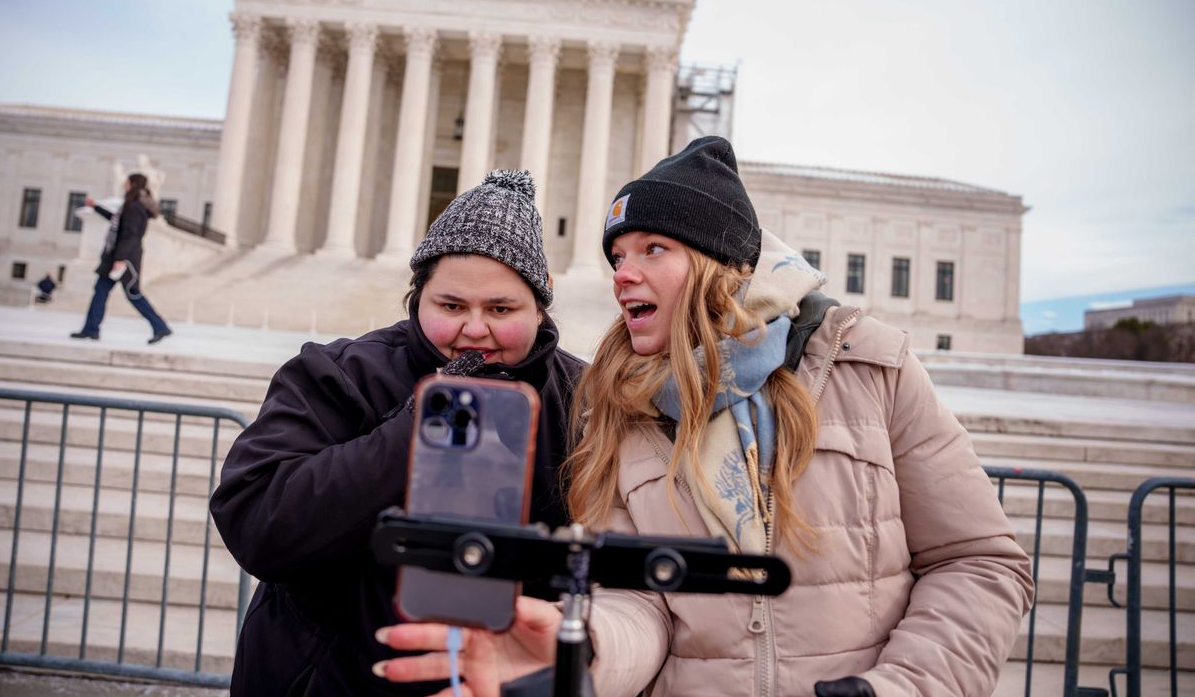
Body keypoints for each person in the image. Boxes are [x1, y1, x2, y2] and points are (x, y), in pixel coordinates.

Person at [375, 138, 1034, 697]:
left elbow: (980, 563)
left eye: (651, 249)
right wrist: (584, 649)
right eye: (617, 255)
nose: (622, 274)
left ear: (719, 262)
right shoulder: (615, 407)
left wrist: (894, 689)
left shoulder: (867, 367)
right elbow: (639, 601)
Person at [210, 170, 586, 696]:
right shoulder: (341, 373)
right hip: (336, 679)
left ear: (539, 310)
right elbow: (258, 521)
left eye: (501, 309)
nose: (474, 329)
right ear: (418, 300)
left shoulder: (581, 399)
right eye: (451, 306)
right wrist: (421, 424)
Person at [70, 173, 172, 343]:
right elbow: (117, 221)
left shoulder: (134, 206)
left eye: (127, 181)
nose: (124, 184)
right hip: (121, 256)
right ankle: (91, 329)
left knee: (131, 294)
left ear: (132, 184)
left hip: (125, 258)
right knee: (101, 292)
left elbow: (130, 235)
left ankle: (160, 326)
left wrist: (120, 259)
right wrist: (96, 207)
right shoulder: (133, 205)